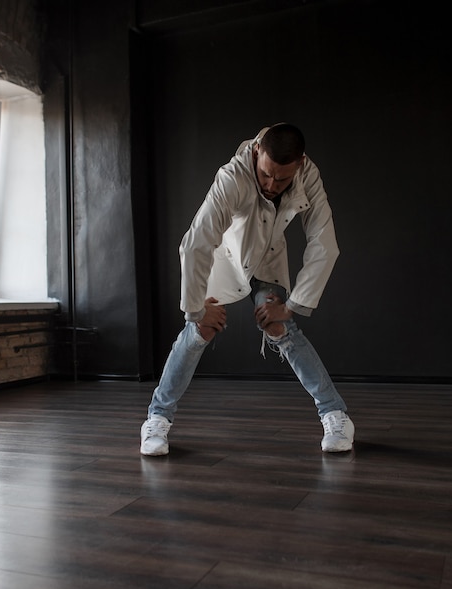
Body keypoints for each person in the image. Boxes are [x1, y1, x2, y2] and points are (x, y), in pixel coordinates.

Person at [140, 123, 354, 456]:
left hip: (267, 260)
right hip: (227, 258)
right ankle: (157, 419)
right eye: (266, 174)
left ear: (298, 165)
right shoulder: (232, 176)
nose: (272, 185)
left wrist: (293, 305)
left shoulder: (308, 175)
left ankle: (335, 413)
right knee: (201, 328)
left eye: (282, 179)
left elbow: (324, 243)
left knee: (278, 324)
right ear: (257, 153)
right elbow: (197, 242)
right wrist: (197, 309)